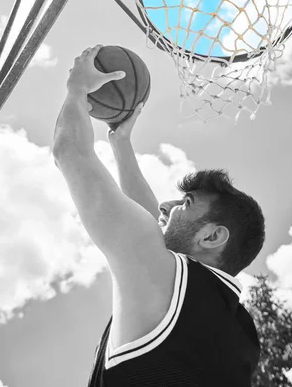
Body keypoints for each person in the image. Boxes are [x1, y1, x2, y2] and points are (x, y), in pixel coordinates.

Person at [53, 45, 265, 387]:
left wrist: (77, 89)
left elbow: (69, 150)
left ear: (212, 236)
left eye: (187, 202)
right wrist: (120, 141)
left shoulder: (171, 281)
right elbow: (151, 224)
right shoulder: (236, 328)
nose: (166, 206)